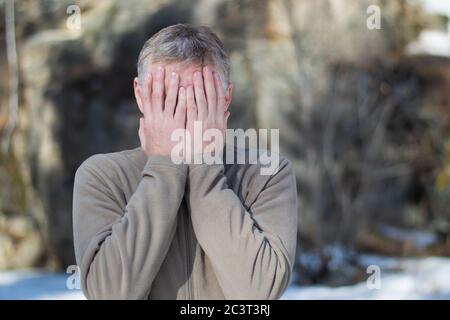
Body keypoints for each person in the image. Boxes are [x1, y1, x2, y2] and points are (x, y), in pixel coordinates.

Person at [72, 23, 298, 300]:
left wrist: (205, 164)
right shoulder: (103, 176)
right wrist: (164, 166)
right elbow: (110, 294)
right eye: (168, 96)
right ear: (140, 95)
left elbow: (256, 295)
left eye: (200, 96)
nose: (184, 110)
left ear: (225, 97)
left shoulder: (266, 174)